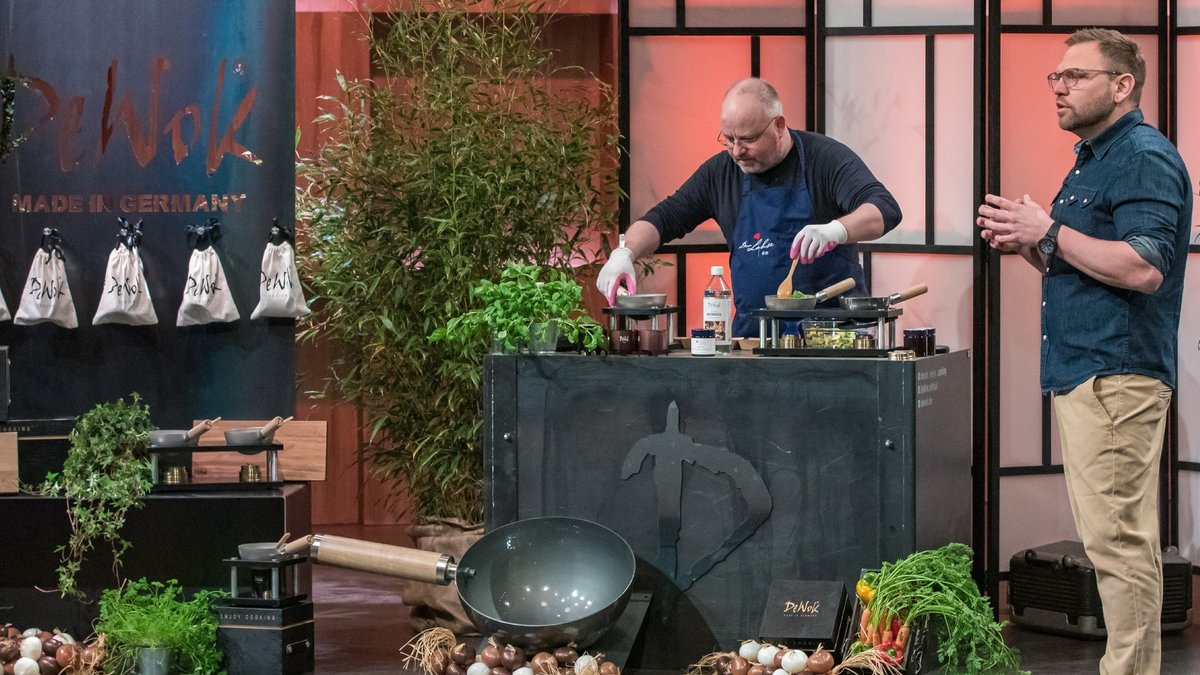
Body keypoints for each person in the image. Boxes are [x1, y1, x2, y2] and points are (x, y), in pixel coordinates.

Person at [977, 28, 1191, 675]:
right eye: (1055, 77)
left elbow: (1144, 267)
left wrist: (1051, 231)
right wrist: (1033, 242)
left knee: (1117, 540)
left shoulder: (1142, 156)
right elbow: (1084, 261)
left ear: (1122, 86)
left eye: (1076, 75)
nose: (1059, 87)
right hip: (1089, 370)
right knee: (1113, 539)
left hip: (1117, 374)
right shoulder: (1094, 157)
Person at [596, 78, 902, 337]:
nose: (737, 151)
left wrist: (838, 229)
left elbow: (884, 209)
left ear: (779, 125)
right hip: (753, 339)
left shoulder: (826, 160)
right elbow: (665, 217)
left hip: (834, 336)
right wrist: (625, 252)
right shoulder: (720, 173)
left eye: (748, 139)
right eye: (728, 139)